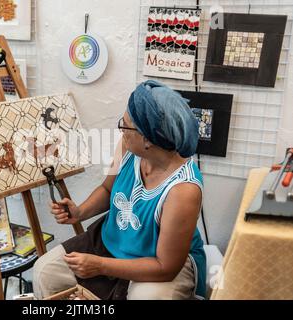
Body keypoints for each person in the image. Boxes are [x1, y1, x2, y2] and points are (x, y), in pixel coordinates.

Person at [33, 80, 206, 300]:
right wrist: (80, 212)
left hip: (157, 260)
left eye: (125, 125)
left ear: (148, 140)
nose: (121, 130)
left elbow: (166, 267)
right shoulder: (127, 147)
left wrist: (101, 266)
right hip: (113, 239)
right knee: (44, 272)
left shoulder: (183, 190)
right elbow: (108, 189)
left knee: (147, 298)